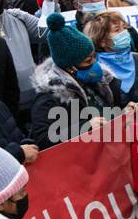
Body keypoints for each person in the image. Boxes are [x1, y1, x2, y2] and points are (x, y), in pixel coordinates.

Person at [30, 12, 123, 150]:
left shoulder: (100, 83)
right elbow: (43, 139)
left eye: (94, 56)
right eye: (88, 60)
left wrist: (123, 114)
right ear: (69, 67)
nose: (95, 63)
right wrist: (85, 127)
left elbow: (107, 116)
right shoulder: (49, 97)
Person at [85, 10, 138, 106]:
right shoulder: (95, 69)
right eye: (117, 30)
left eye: (124, 27)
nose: (125, 32)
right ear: (102, 41)